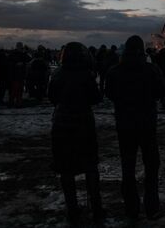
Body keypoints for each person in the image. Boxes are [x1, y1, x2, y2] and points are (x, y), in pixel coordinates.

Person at [105, 35, 165, 220]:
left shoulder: (115, 71)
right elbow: (160, 92)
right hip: (147, 123)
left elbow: (110, 94)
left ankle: (131, 208)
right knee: (152, 166)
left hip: (125, 124)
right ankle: (152, 207)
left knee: (128, 166)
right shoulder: (151, 69)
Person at [48, 42, 104, 226]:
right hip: (83, 124)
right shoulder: (86, 76)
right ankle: (96, 209)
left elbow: (52, 97)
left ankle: (72, 209)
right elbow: (96, 98)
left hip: (62, 125)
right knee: (90, 167)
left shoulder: (58, 74)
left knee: (66, 169)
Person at [8, 42, 30, 107]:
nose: (20, 47)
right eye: (19, 46)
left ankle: (18, 102)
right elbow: (9, 63)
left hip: (21, 74)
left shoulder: (23, 54)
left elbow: (28, 59)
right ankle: (11, 102)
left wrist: (25, 52)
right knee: (14, 90)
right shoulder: (13, 54)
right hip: (15, 75)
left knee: (20, 90)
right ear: (17, 46)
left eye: (21, 46)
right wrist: (16, 64)